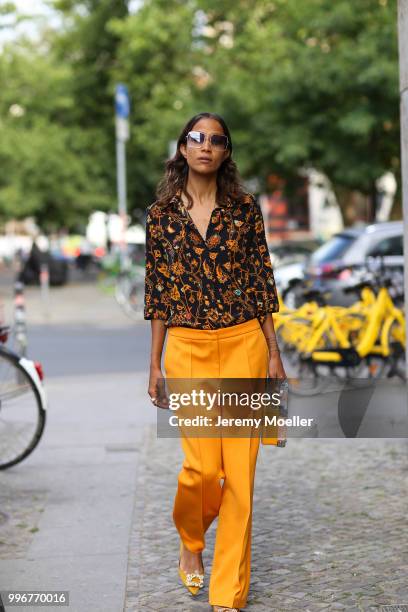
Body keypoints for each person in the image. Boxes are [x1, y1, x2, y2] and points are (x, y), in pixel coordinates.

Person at [144, 111, 286, 612]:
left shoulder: (245, 209)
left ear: (226, 153)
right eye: (197, 138)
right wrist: (155, 364)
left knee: (240, 478)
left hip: (246, 341)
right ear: (183, 148)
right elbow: (157, 294)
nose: (206, 146)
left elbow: (261, 283)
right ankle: (190, 537)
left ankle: (228, 596)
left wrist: (274, 352)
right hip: (187, 348)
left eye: (217, 140)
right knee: (202, 472)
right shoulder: (160, 215)